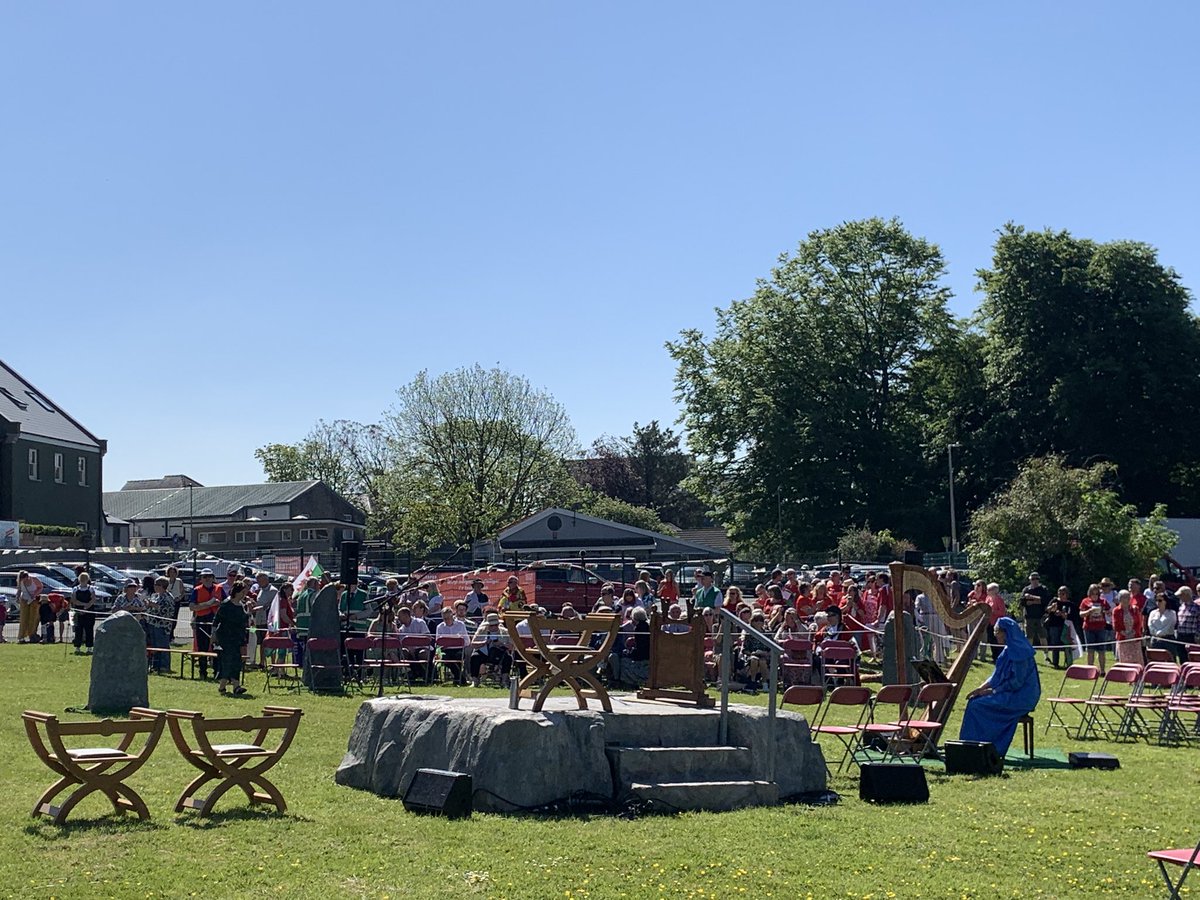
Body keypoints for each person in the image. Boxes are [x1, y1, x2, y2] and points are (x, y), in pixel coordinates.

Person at [960, 617, 1042, 756]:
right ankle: (973, 745)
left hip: (1021, 696)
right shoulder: (1007, 650)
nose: (995, 635)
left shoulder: (1020, 653)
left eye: (997, 631)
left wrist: (992, 691)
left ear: (1006, 633)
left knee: (978, 706)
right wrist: (980, 689)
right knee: (974, 701)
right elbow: (996, 676)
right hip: (1008, 692)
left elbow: (1016, 683)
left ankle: (989, 747)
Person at [213, 580, 250, 695]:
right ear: (236, 592)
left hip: (237, 638)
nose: (244, 595)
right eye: (242, 592)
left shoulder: (241, 605)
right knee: (227, 661)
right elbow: (216, 620)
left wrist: (249, 610)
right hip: (226, 637)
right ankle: (222, 687)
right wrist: (213, 635)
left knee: (237, 661)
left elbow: (244, 620)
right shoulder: (226, 604)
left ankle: (236, 686)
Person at [188, 569, 222, 679]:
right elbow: (192, 607)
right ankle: (202, 672)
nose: (207, 578)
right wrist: (209, 604)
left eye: (209, 576)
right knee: (202, 647)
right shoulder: (196, 590)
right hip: (202, 620)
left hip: (217, 620)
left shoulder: (219, 588)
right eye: (204, 577)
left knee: (217, 647)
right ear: (201, 579)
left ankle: (217, 672)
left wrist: (218, 604)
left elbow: (225, 604)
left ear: (213, 578)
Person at [469, 612, 513, 687]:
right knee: (474, 657)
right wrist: (484, 643)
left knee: (508, 658)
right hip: (483, 653)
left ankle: (504, 680)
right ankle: (475, 681)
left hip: (499, 654)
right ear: (487, 625)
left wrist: (501, 644)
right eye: (491, 625)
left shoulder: (505, 631)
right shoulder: (481, 630)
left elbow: (512, 647)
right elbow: (473, 644)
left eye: (496, 625)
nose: (494, 627)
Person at [1078, 583, 1111, 675]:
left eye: (1096, 593)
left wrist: (1106, 612)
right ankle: (1090, 670)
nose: (1095, 595)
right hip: (1088, 628)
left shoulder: (1103, 601)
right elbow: (1081, 614)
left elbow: (1109, 612)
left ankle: (1102, 670)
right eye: (1093, 593)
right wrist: (1089, 611)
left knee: (1101, 650)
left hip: (1101, 628)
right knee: (1090, 649)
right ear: (1089, 593)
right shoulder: (1085, 601)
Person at [435, 606, 470, 684]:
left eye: (448, 618)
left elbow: (467, 641)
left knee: (458, 657)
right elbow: (438, 642)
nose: (446, 620)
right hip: (445, 650)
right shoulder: (439, 627)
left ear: (452, 616)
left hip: (458, 649)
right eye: (444, 618)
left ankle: (458, 678)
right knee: (446, 658)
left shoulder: (461, 625)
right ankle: (461, 678)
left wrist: (458, 642)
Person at [1019, 572, 1051, 650]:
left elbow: (1046, 600)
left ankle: (1046, 655)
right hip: (1029, 617)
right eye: (1033, 579)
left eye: (1037, 578)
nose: (1035, 580)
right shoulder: (1026, 590)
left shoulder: (1043, 589)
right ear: (1030, 580)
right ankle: (1028, 654)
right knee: (1029, 637)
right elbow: (1022, 602)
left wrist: (1031, 598)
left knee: (1043, 637)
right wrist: (1037, 600)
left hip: (1041, 617)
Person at [1113, 589, 1144, 664]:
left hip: (1135, 637)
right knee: (1125, 660)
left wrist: (1133, 632)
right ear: (1120, 599)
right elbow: (1116, 625)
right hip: (1123, 638)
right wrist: (1125, 634)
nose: (1126, 599)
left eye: (1128, 597)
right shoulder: (1116, 610)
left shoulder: (1135, 609)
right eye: (1124, 597)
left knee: (1137, 659)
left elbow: (1139, 623)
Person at [1043, 587, 1070, 668]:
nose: (1061, 595)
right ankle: (1055, 663)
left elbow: (1069, 616)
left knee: (1066, 644)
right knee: (1055, 644)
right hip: (1054, 625)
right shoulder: (1054, 600)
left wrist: (1061, 614)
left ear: (1066, 594)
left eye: (1063, 594)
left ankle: (1068, 662)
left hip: (1065, 626)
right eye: (1059, 593)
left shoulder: (1068, 603)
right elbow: (1046, 610)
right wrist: (1052, 607)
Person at [70, 572, 97, 653]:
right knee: (78, 630)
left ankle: (89, 647)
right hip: (79, 612)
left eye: (84, 579)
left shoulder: (91, 588)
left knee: (89, 629)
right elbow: (74, 600)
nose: (83, 580)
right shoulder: (75, 589)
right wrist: (83, 605)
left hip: (89, 613)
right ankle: (77, 647)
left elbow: (93, 599)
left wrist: (87, 606)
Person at [1146, 592, 1177, 658]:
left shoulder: (1172, 613)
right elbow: (1150, 624)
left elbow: (1170, 625)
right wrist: (1156, 633)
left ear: (1165, 601)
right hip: (1155, 640)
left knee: (1169, 659)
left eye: (1160, 600)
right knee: (1156, 659)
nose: (1158, 602)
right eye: (1156, 600)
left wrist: (1160, 633)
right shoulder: (1152, 613)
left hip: (1168, 640)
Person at [16, 570, 43, 644]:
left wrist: (34, 594)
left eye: (25, 578)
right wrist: (17, 597)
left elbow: (40, 587)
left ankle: (32, 635)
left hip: (33, 600)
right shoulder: (20, 581)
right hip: (24, 599)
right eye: (23, 579)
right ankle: (21, 637)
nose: (24, 580)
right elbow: (19, 589)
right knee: (23, 618)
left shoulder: (34, 579)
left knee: (33, 618)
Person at [1175, 586, 1200, 663]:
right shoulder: (1181, 607)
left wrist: (1197, 635)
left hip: (1191, 636)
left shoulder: (1197, 608)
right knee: (1182, 657)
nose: (1179, 597)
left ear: (1186, 595)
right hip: (1180, 635)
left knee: (1192, 657)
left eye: (1181, 595)